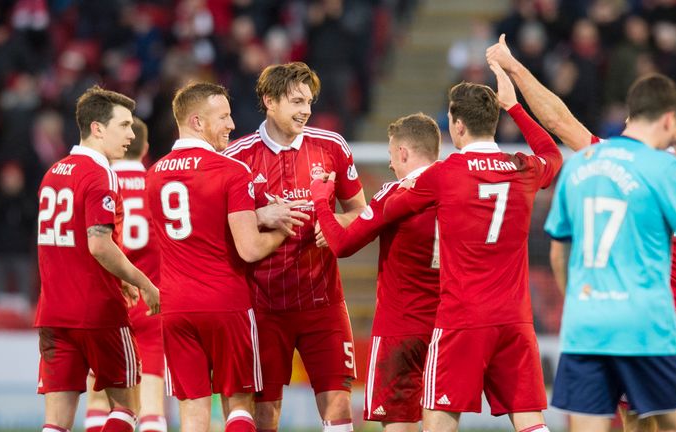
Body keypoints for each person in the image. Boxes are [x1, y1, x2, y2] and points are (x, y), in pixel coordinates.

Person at [487, 34, 676, 432]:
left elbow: (558, 122)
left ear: (628, 118)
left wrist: (514, 73)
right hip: (662, 325)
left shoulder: (588, 165)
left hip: (595, 322)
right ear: (671, 122)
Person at [382, 63, 561, 432]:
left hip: (462, 319)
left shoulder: (444, 174)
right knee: (530, 420)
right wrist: (515, 107)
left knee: (439, 418)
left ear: (457, 125)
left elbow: (386, 210)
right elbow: (553, 155)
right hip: (514, 318)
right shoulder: (522, 167)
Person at [544, 74, 676, 432]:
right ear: (670, 119)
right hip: (645, 325)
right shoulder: (663, 167)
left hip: (586, 324)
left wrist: (578, 302)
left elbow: (559, 255)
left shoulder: (579, 164)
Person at [146, 81, 301, 432]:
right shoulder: (231, 171)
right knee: (239, 406)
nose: (232, 124)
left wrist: (255, 216)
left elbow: (197, 223)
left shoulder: (154, 175)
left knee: (193, 414)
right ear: (197, 122)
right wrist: (282, 226)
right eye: (224, 117)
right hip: (224, 302)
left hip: (176, 307)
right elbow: (248, 249)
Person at [224, 62, 366, 432]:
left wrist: (336, 226)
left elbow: (360, 213)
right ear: (269, 101)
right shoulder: (236, 158)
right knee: (265, 413)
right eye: (296, 101)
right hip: (262, 306)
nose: (306, 110)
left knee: (338, 404)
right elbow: (220, 232)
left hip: (324, 303)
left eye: (309, 102)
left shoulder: (331, 146)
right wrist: (260, 216)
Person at [35, 85, 160, 432]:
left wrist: (120, 277)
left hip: (53, 312)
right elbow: (98, 244)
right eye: (124, 126)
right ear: (97, 128)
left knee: (55, 422)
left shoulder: (53, 173)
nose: (131, 134)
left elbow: (71, 243)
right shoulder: (100, 174)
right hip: (97, 312)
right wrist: (143, 282)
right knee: (126, 408)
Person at [309, 113, 441, 432]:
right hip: (446, 327)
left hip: (400, 328)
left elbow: (341, 245)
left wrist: (321, 201)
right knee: (440, 422)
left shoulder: (395, 194)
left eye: (391, 155)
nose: (392, 165)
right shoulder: (459, 189)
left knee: (398, 422)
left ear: (403, 153)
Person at [84, 117, 167, 432]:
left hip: (107, 302)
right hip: (152, 301)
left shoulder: (98, 182)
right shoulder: (157, 184)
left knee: (99, 398)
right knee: (152, 400)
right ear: (145, 148)